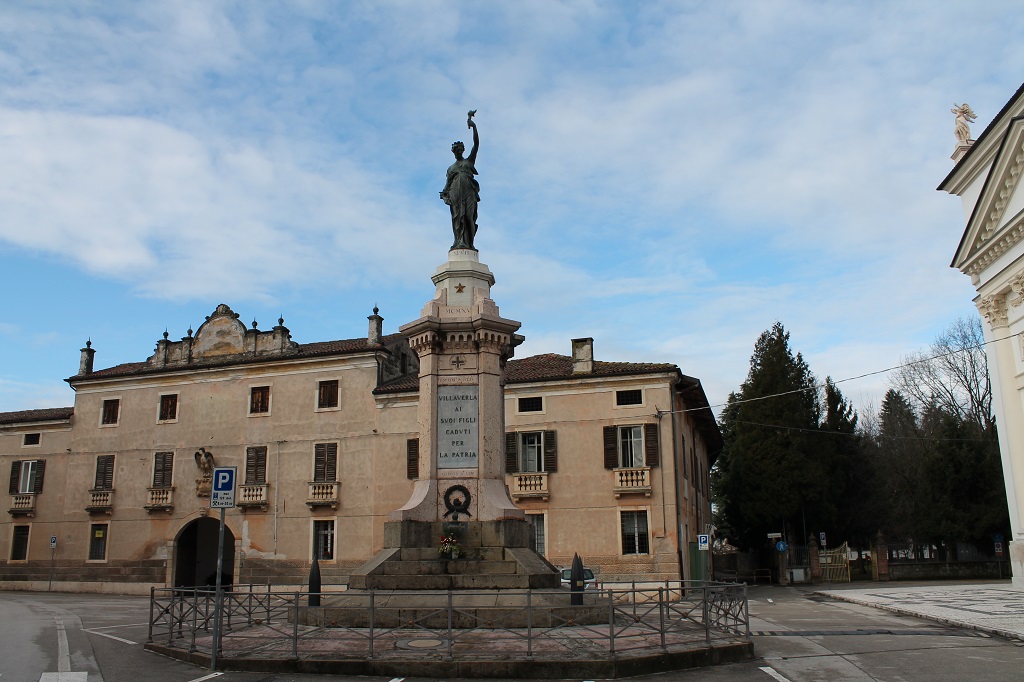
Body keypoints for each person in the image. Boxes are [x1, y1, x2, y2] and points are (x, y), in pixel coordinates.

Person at [441, 112, 480, 249]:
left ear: (463, 150)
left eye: (460, 149)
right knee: (457, 218)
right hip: (456, 194)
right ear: (454, 152)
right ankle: (458, 241)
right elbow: (446, 186)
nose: (459, 151)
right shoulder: (451, 168)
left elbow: (476, 145)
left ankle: (469, 243)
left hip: (468, 192)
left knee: (469, 216)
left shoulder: (468, 162)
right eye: (456, 150)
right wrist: (445, 195)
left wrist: (474, 127)